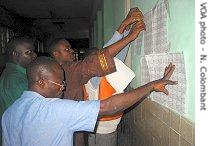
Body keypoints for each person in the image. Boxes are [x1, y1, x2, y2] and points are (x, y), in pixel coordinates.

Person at [2, 56, 177, 146]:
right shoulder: (54, 109)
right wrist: (152, 85)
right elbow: (109, 106)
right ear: (41, 82)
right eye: (60, 83)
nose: (63, 88)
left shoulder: (9, 113)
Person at [47, 8, 145, 146]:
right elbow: (105, 58)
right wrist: (127, 33)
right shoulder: (69, 70)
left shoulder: (57, 70)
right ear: (56, 54)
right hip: (91, 129)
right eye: (66, 49)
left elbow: (108, 58)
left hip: (82, 127)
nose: (71, 51)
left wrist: (124, 30)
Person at [0, 37, 37, 145]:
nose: (34, 55)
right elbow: (33, 110)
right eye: (29, 52)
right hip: (19, 135)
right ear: (15, 54)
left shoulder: (14, 74)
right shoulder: (16, 79)